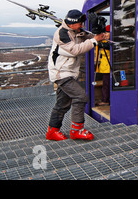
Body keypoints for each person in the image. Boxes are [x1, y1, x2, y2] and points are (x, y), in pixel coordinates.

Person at [46, 9, 107, 141]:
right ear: (72, 23)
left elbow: (91, 38)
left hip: (69, 72)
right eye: (80, 23)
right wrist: (95, 40)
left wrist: (98, 31)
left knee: (62, 104)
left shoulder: (76, 31)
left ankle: (52, 131)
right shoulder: (62, 34)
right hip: (61, 73)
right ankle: (77, 130)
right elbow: (75, 50)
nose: (82, 26)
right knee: (81, 97)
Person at [95, 25, 111, 106]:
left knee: (106, 84)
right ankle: (106, 99)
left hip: (109, 67)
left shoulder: (109, 42)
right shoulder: (104, 41)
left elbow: (108, 46)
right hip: (106, 66)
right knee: (106, 84)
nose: (105, 34)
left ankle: (105, 100)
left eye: (106, 32)